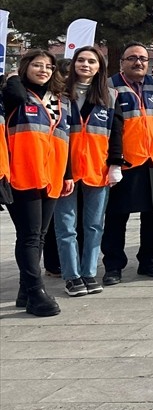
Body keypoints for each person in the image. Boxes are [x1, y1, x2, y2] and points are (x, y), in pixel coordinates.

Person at [4, 50, 71, 316]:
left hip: (52, 177)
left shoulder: (58, 100)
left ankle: (25, 291)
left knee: (39, 236)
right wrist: (11, 76)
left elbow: (64, 139)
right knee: (30, 236)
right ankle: (36, 292)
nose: (43, 70)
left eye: (48, 66)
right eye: (36, 65)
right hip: (23, 176)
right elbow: (18, 96)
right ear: (25, 67)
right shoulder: (13, 94)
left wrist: (67, 174)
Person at [54, 46, 123, 297]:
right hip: (65, 169)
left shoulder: (110, 95)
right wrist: (64, 172)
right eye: (81, 60)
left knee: (94, 225)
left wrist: (115, 164)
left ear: (99, 67)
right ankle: (71, 276)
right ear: (73, 65)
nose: (86, 65)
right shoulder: (59, 95)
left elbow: (116, 133)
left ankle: (89, 272)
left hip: (98, 168)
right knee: (66, 226)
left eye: (92, 61)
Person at [101, 43, 153, 285]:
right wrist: (112, 161)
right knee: (116, 217)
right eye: (132, 58)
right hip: (124, 161)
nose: (138, 62)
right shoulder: (109, 86)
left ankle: (149, 260)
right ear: (122, 62)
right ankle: (113, 266)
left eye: (142, 58)